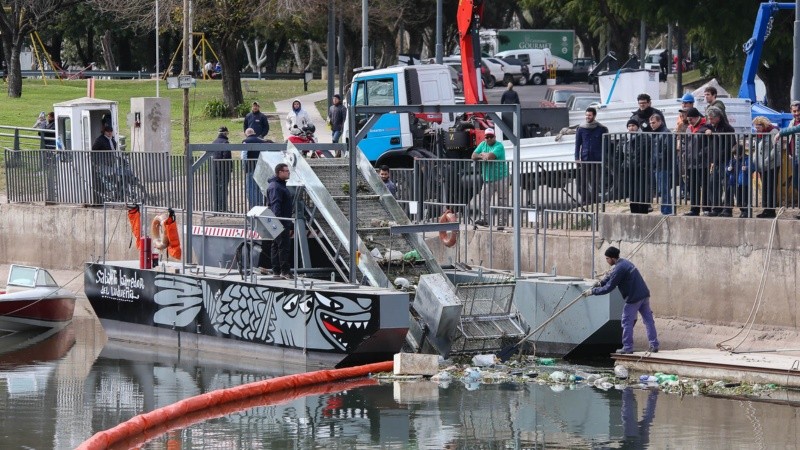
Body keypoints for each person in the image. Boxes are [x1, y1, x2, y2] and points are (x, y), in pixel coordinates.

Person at [584, 246, 659, 354]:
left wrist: (593, 292)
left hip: (634, 298)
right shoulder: (624, 263)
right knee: (648, 321)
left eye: (607, 259)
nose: (607, 261)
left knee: (626, 321)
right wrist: (601, 282)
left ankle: (628, 348)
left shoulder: (619, 268)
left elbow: (609, 287)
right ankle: (654, 345)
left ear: (612, 258)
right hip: (644, 295)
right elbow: (610, 275)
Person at [471, 128, 509, 227]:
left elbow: (490, 157)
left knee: (502, 200)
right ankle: (485, 220)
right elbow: (473, 156)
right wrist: (482, 156)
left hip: (501, 177)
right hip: (488, 178)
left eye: (490, 137)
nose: (488, 139)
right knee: (484, 199)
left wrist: (484, 155)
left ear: (494, 137)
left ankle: (502, 223)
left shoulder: (499, 145)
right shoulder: (483, 144)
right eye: (486, 137)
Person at [704, 106, 735, 217]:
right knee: (713, 184)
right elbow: (701, 128)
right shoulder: (712, 127)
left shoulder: (727, 128)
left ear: (718, 118)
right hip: (715, 162)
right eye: (709, 119)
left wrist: (718, 158)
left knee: (727, 185)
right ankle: (716, 207)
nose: (710, 121)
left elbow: (729, 146)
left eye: (712, 119)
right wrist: (707, 130)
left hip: (725, 161)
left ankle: (727, 209)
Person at [575, 107, 608, 204]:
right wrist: (577, 158)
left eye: (589, 115)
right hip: (585, 158)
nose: (587, 117)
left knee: (595, 180)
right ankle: (585, 200)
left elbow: (605, 144)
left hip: (597, 158)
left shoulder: (601, 128)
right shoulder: (581, 128)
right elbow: (578, 144)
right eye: (586, 115)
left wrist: (604, 157)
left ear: (594, 116)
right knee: (583, 180)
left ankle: (594, 199)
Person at [267, 163, 294, 279]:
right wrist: (279, 222)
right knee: (283, 246)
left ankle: (277, 271)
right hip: (280, 221)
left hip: (282, 220)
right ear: (279, 172)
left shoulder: (279, 185)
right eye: (286, 171)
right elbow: (275, 205)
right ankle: (284, 271)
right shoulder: (276, 187)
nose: (288, 172)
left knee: (277, 245)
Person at [683, 108, 712, 216]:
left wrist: (702, 154)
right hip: (691, 162)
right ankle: (694, 209)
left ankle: (706, 208)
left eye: (690, 119)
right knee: (693, 186)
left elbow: (709, 145)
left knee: (705, 186)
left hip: (703, 162)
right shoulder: (689, 128)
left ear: (696, 117)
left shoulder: (706, 127)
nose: (689, 122)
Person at [753, 116, 781, 218]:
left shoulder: (773, 131)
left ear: (763, 125)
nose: (756, 129)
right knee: (765, 186)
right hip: (762, 165)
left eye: (758, 126)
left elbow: (776, 148)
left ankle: (771, 210)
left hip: (771, 165)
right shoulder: (760, 134)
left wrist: (767, 160)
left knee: (770, 187)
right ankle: (766, 208)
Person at [648, 113, 675, 215]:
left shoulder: (665, 132)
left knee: (664, 189)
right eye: (650, 123)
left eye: (654, 122)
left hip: (664, 165)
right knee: (661, 189)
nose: (652, 125)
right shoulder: (656, 133)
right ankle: (664, 209)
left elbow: (667, 150)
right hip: (658, 165)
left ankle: (667, 211)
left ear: (660, 121)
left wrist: (657, 159)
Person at [622, 119, 648, 214]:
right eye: (629, 126)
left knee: (642, 191)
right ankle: (634, 211)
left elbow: (647, 153)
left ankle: (643, 211)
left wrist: (644, 164)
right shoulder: (626, 138)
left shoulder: (644, 137)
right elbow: (621, 153)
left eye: (633, 125)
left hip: (641, 168)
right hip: (629, 168)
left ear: (638, 127)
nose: (631, 128)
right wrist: (623, 164)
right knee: (631, 191)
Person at [242, 128, 267, 210]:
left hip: (251, 167)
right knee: (260, 187)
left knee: (251, 187)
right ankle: (260, 204)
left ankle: (253, 205)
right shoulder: (262, 141)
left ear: (246, 134)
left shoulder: (245, 141)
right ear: (254, 132)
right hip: (261, 167)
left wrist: (244, 167)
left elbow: (244, 156)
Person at [727, 144, 755, 218]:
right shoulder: (732, 160)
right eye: (734, 155)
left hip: (744, 183)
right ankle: (742, 211)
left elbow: (752, 168)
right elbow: (728, 169)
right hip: (735, 182)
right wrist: (728, 169)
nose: (735, 157)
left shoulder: (747, 159)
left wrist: (746, 168)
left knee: (745, 199)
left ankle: (746, 211)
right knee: (738, 199)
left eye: (737, 155)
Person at [211, 126, 232, 212]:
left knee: (216, 187)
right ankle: (223, 208)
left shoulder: (214, 142)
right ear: (225, 133)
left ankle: (216, 207)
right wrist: (230, 168)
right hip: (223, 170)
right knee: (223, 188)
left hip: (215, 169)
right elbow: (226, 156)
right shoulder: (225, 142)